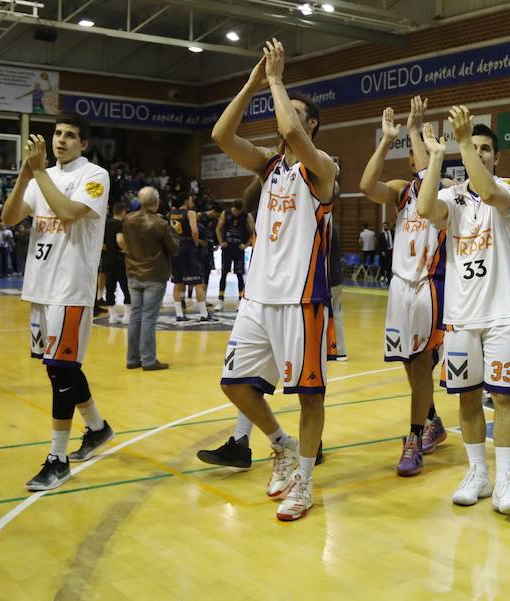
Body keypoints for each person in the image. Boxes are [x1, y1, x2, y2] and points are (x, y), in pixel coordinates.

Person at [202, 40, 336, 521]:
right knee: (234, 383)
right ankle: (281, 445)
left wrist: (278, 81)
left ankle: (305, 479)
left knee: (309, 395)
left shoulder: (324, 170)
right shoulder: (268, 165)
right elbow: (221, 133)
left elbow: (287, 128)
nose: (285, 118)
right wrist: (254, 82)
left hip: (302, 301)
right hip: (259, 299)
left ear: (311, 125)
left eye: (297, 114)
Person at [418, 110, 510, 516]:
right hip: (461, 315)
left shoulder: (509, 188)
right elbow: (426, 209)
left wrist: (463, 144)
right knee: (466, 399)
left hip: (501, 314)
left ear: (496, 158)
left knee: (503, 398)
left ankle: (505, 482)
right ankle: (478, 473)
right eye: (473, 147)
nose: (478, 154)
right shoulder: (452, 195)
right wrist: (434, 156)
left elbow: (489, 193)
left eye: (485, 150)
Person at [1, 113, 115, 491]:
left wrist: (40, 173)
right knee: (57, 368)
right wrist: (24, 174)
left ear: (84, 144)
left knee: (63, 370)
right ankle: (97, 428)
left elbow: (67, 213)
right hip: (40, 287)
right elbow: (8, 218)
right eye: (57, 134)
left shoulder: (94, 175)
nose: (61, 140)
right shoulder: (40, 176)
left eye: (70, 136)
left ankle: (58, 458)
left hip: (70, 289)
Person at [359, 98, 447, 477]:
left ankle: (414, 439)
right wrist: (388, 139)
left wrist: (416, 129)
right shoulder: (400, 190)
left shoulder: (446, 192)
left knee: (421, 364)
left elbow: (431, 170)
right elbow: (365, 185)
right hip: (400, 287)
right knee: (411, 368)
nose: (421, 158)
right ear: (411, 162)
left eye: (428, 153)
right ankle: (432, 422)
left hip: (429, 285)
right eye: (417, 154)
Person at [122, 186, 177, 371]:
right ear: (157, 202)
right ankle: (149, 360)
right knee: (148, 318)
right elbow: (174, 249)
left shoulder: (128, 219)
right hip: (154, 274)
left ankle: (132, 359)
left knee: (135, 316)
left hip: (133, 272)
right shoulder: (160, 223)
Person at [168, 194, 211, 322]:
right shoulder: (190, 212)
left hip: (175, 247)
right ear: (186, 200)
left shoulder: (171, 213)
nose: (192, 201)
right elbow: (195, 230)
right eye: (190, 199)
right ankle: (204, 314)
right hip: (187, 247)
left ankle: (179, 314)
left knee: (178, 282)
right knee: (198, 282)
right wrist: (196, 241)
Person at [215, 200, 254, 311]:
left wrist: (246, 245)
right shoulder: (225, 213)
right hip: (227, 248)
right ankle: (220, 300)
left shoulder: (246, 215)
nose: (237, 213)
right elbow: (218, 228)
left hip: (238, 248)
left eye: (239, 211)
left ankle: (240, 301)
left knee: (239, 275)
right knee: (223, 274)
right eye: (235, 211)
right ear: (233, 208)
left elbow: (253, 232)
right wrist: (221, 242)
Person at [103, 202, 131, 325]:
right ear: (123, 211)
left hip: (107, 259)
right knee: (126, 287)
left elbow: (102, 244)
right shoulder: (120, 224)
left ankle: (112, 316)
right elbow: (119, 239)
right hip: (119, 259)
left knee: (110, 288)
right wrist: (127, 250)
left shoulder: (105, 223)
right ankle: (127, 316)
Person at [328, 215, 347, 361]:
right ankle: (339, 350)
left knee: (326, 315)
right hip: (336, 277)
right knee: (337, 314)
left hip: (329, 279)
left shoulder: (326, 228)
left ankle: (335, 350)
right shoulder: (333, 227)